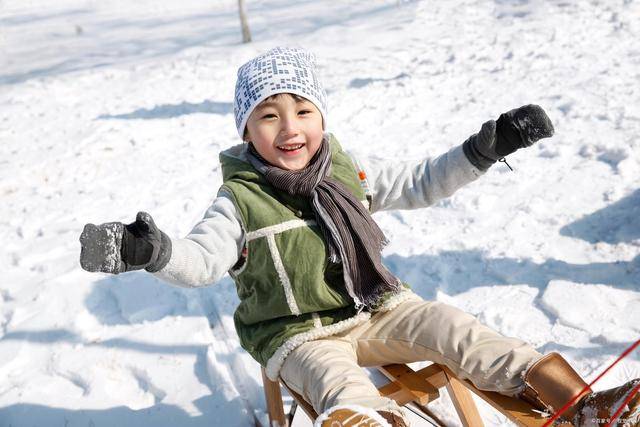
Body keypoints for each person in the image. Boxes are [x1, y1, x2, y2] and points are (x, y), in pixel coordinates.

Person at [79, 47, 639, 427]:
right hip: (297, 335)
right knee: (339, 383)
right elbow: (201, 261)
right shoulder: (239, 201)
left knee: (458, 329)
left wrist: (482, 151)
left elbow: (422, 181)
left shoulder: (351, 172)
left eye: (303, 109)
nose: (290, 127)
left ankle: (579, 406)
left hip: (376, 308)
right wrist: (153, 252)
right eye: (269, 116)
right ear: (246, 129)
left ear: (321, 116)